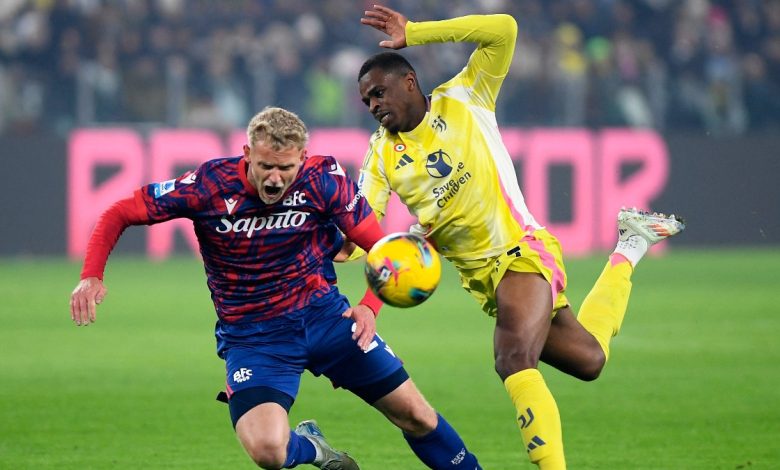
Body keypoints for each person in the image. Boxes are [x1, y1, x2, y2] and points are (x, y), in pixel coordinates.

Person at [353, 5, 685, 469]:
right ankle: (630, 245)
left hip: (521, 253)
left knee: (511, 359)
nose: (373, 106)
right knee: (589, 360)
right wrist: (340, 246)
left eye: (379, 93)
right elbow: (360, 228)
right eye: (366, 101)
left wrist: (418, 32)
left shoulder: (465, 95)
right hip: (487, 284)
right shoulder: (380, 156)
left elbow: (503, 29)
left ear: (409, 82)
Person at [69, 106, 482, 470]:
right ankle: (315, 450)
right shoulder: (209, 185)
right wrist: (92, 275)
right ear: (247, 154)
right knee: (269, 451)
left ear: (302, 157)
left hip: (327, 320)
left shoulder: (324, 179)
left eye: (286, 168)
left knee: (416, 415)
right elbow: (119, 212)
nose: (275, 178)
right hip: (255, 338)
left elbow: (384, 252)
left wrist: (369, 306)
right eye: (265, 166)